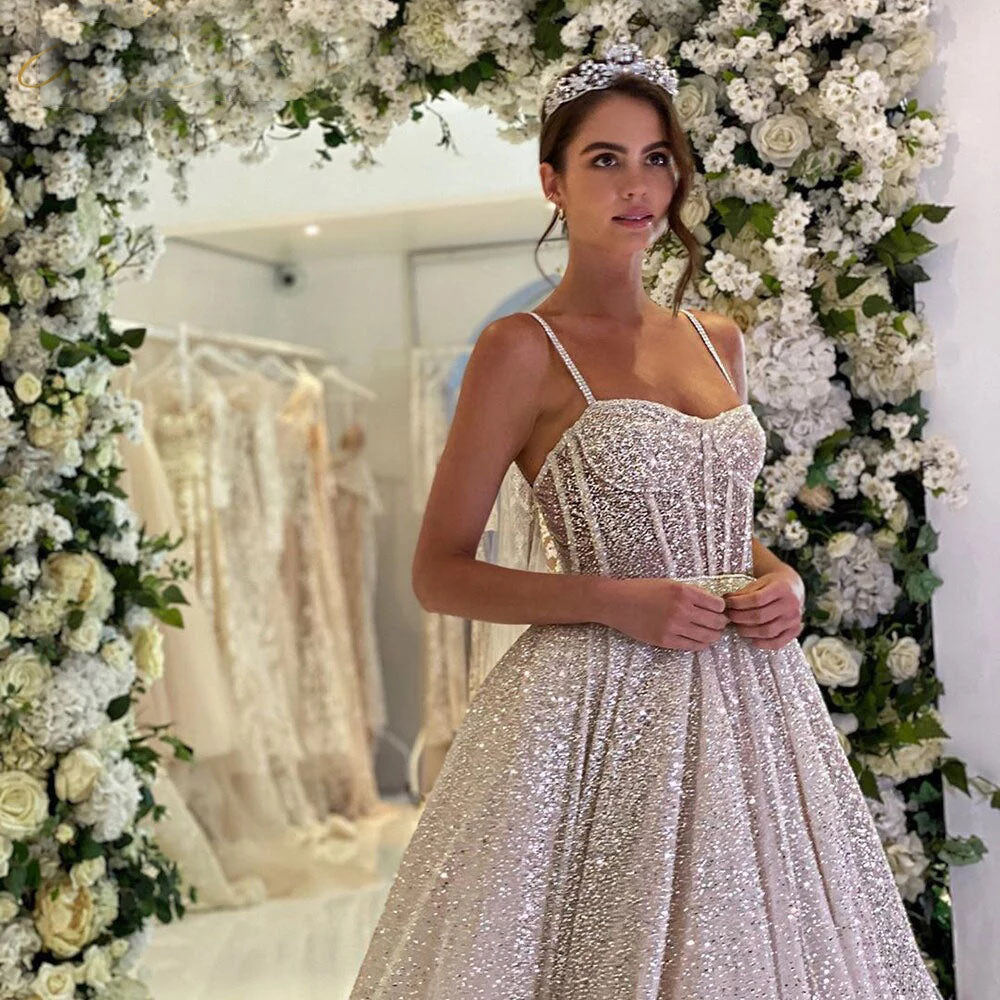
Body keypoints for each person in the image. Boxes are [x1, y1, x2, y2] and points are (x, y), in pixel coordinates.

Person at [350, 36, 944, 1000]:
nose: (638, 187)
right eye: (604, 160)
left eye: (656, 158)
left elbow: (709, 517)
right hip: (598, 708)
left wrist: (774, 574)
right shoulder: (521, 349)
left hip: (750, 698)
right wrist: (615, 602)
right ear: (553, 182)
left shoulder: (717, 339)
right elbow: (440, 570)